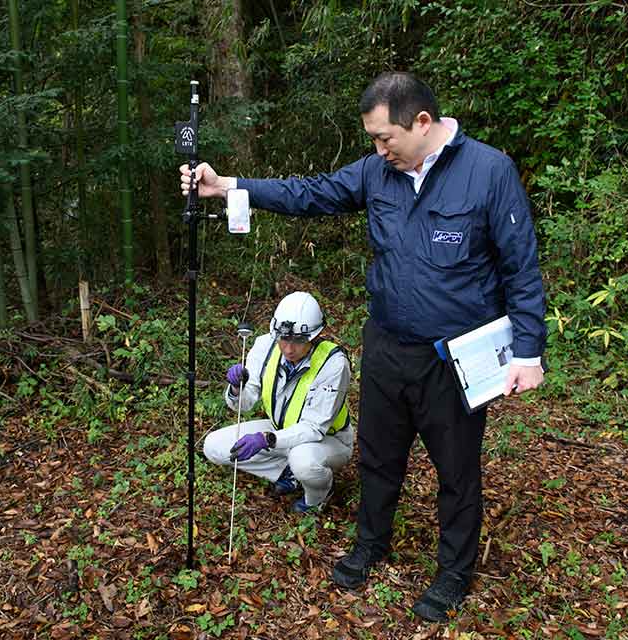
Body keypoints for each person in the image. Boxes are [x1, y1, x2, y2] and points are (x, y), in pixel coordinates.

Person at [181, 71, 546, 621]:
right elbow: (312, 193)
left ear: (422, 123)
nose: (378, 150)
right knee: (379, 456)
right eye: (373, 140)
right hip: (386, 349)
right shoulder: (380, 172)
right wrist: (231, 185)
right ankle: (370, 543)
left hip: (455, 358)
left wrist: (527, 354)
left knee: (457, 470)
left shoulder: (488, 172)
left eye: (384, 138)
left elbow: (521, 267)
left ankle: (452, 573)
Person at [203, 291, 353, 514]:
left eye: (299, 341)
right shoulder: (265, 346)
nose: (289, 349)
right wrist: (237, 388)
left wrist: (266, 439)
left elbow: (313, 428)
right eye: (284, 339)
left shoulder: (334, 364)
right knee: (213, 447)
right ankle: (285, 470)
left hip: (328, 440)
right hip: (280, 430)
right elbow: (244, 405)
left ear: (314, 336)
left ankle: (318, 496)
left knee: (302, 460)